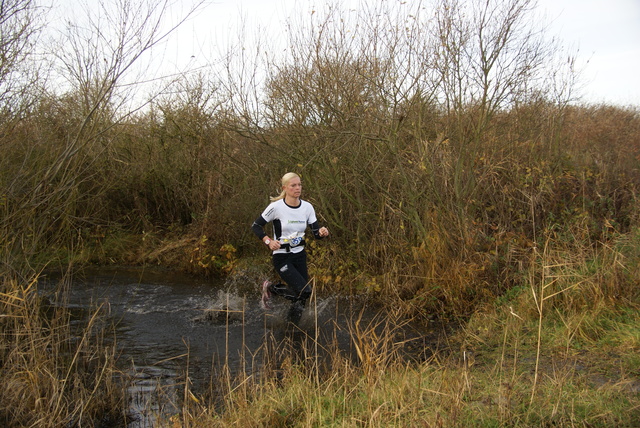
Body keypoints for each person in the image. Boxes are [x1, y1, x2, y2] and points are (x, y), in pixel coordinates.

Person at [251, 172, 329, 322]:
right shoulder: (276, 207)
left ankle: (291, 326)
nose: (297, 188)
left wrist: (322, 232)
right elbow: (256, 226)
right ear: (285, 188)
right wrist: (268, 241)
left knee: (301, 297)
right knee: (304, 291)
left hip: (299, 255)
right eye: (293, 185)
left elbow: (316, 234)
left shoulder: (307, 207)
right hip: (282, 256)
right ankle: (271, 288)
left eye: (299, 185)